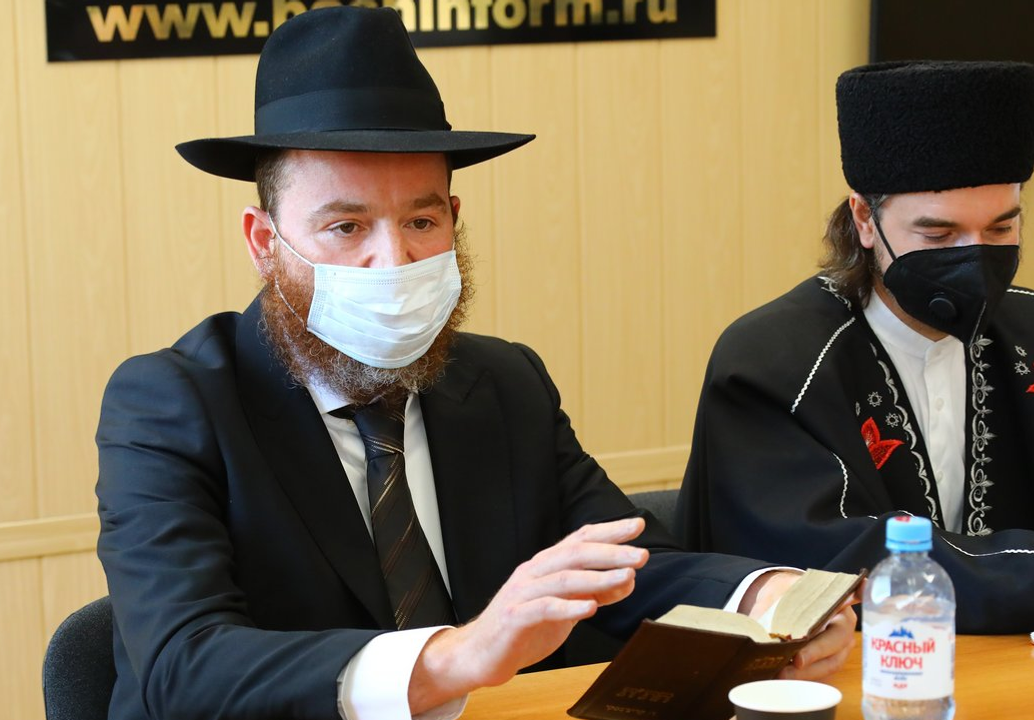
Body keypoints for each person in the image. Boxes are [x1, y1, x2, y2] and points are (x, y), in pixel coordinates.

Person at [95, 7, 856, 720]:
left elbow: (622, 564)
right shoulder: (171, 402)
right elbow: (183, 666)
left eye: (421, 220)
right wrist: (459, 655)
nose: (393, 260)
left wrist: (764, 597)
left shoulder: (503, 384)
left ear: (453, 221)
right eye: (346, 226)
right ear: (265, 243)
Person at [677, 60, 1034, 634]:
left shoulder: (1027, 327)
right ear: (866, 219)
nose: (973, 258)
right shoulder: (771, 362)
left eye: (1000, 230)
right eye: (938, 234)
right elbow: (836, 563)